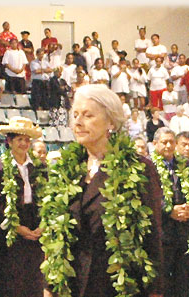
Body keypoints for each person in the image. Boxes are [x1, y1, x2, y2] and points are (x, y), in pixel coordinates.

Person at [41, 84, 163, 297]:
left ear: (111, 121)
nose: (78, 122)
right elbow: (54, 236)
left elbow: (152, 236)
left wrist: (154, 290)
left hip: (116, 286)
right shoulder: (66, 168)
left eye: (88, 115)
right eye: (75, 115)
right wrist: (50, 286)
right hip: (72, 285)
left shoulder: (138, 167)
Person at [0, 116, 45, 297]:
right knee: (11, 281)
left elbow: (48, 196)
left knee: (33, 279)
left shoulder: (39, 167)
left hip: (35, 224)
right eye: (20, 139)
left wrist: (41, 227)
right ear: (9, 141)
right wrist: (18, 228)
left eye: (27, 139)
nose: (24, 143)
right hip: (10, 230)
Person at [151, 127, 189, 297]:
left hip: (184, 231)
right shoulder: (149, 167)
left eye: (171, 142)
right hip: (162, 233)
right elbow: (149, 196)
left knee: (183, 278)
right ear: (155, 144)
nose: (168, 145)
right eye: (164, 142)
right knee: (164, 279)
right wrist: (169, 210)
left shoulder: (185, 164)